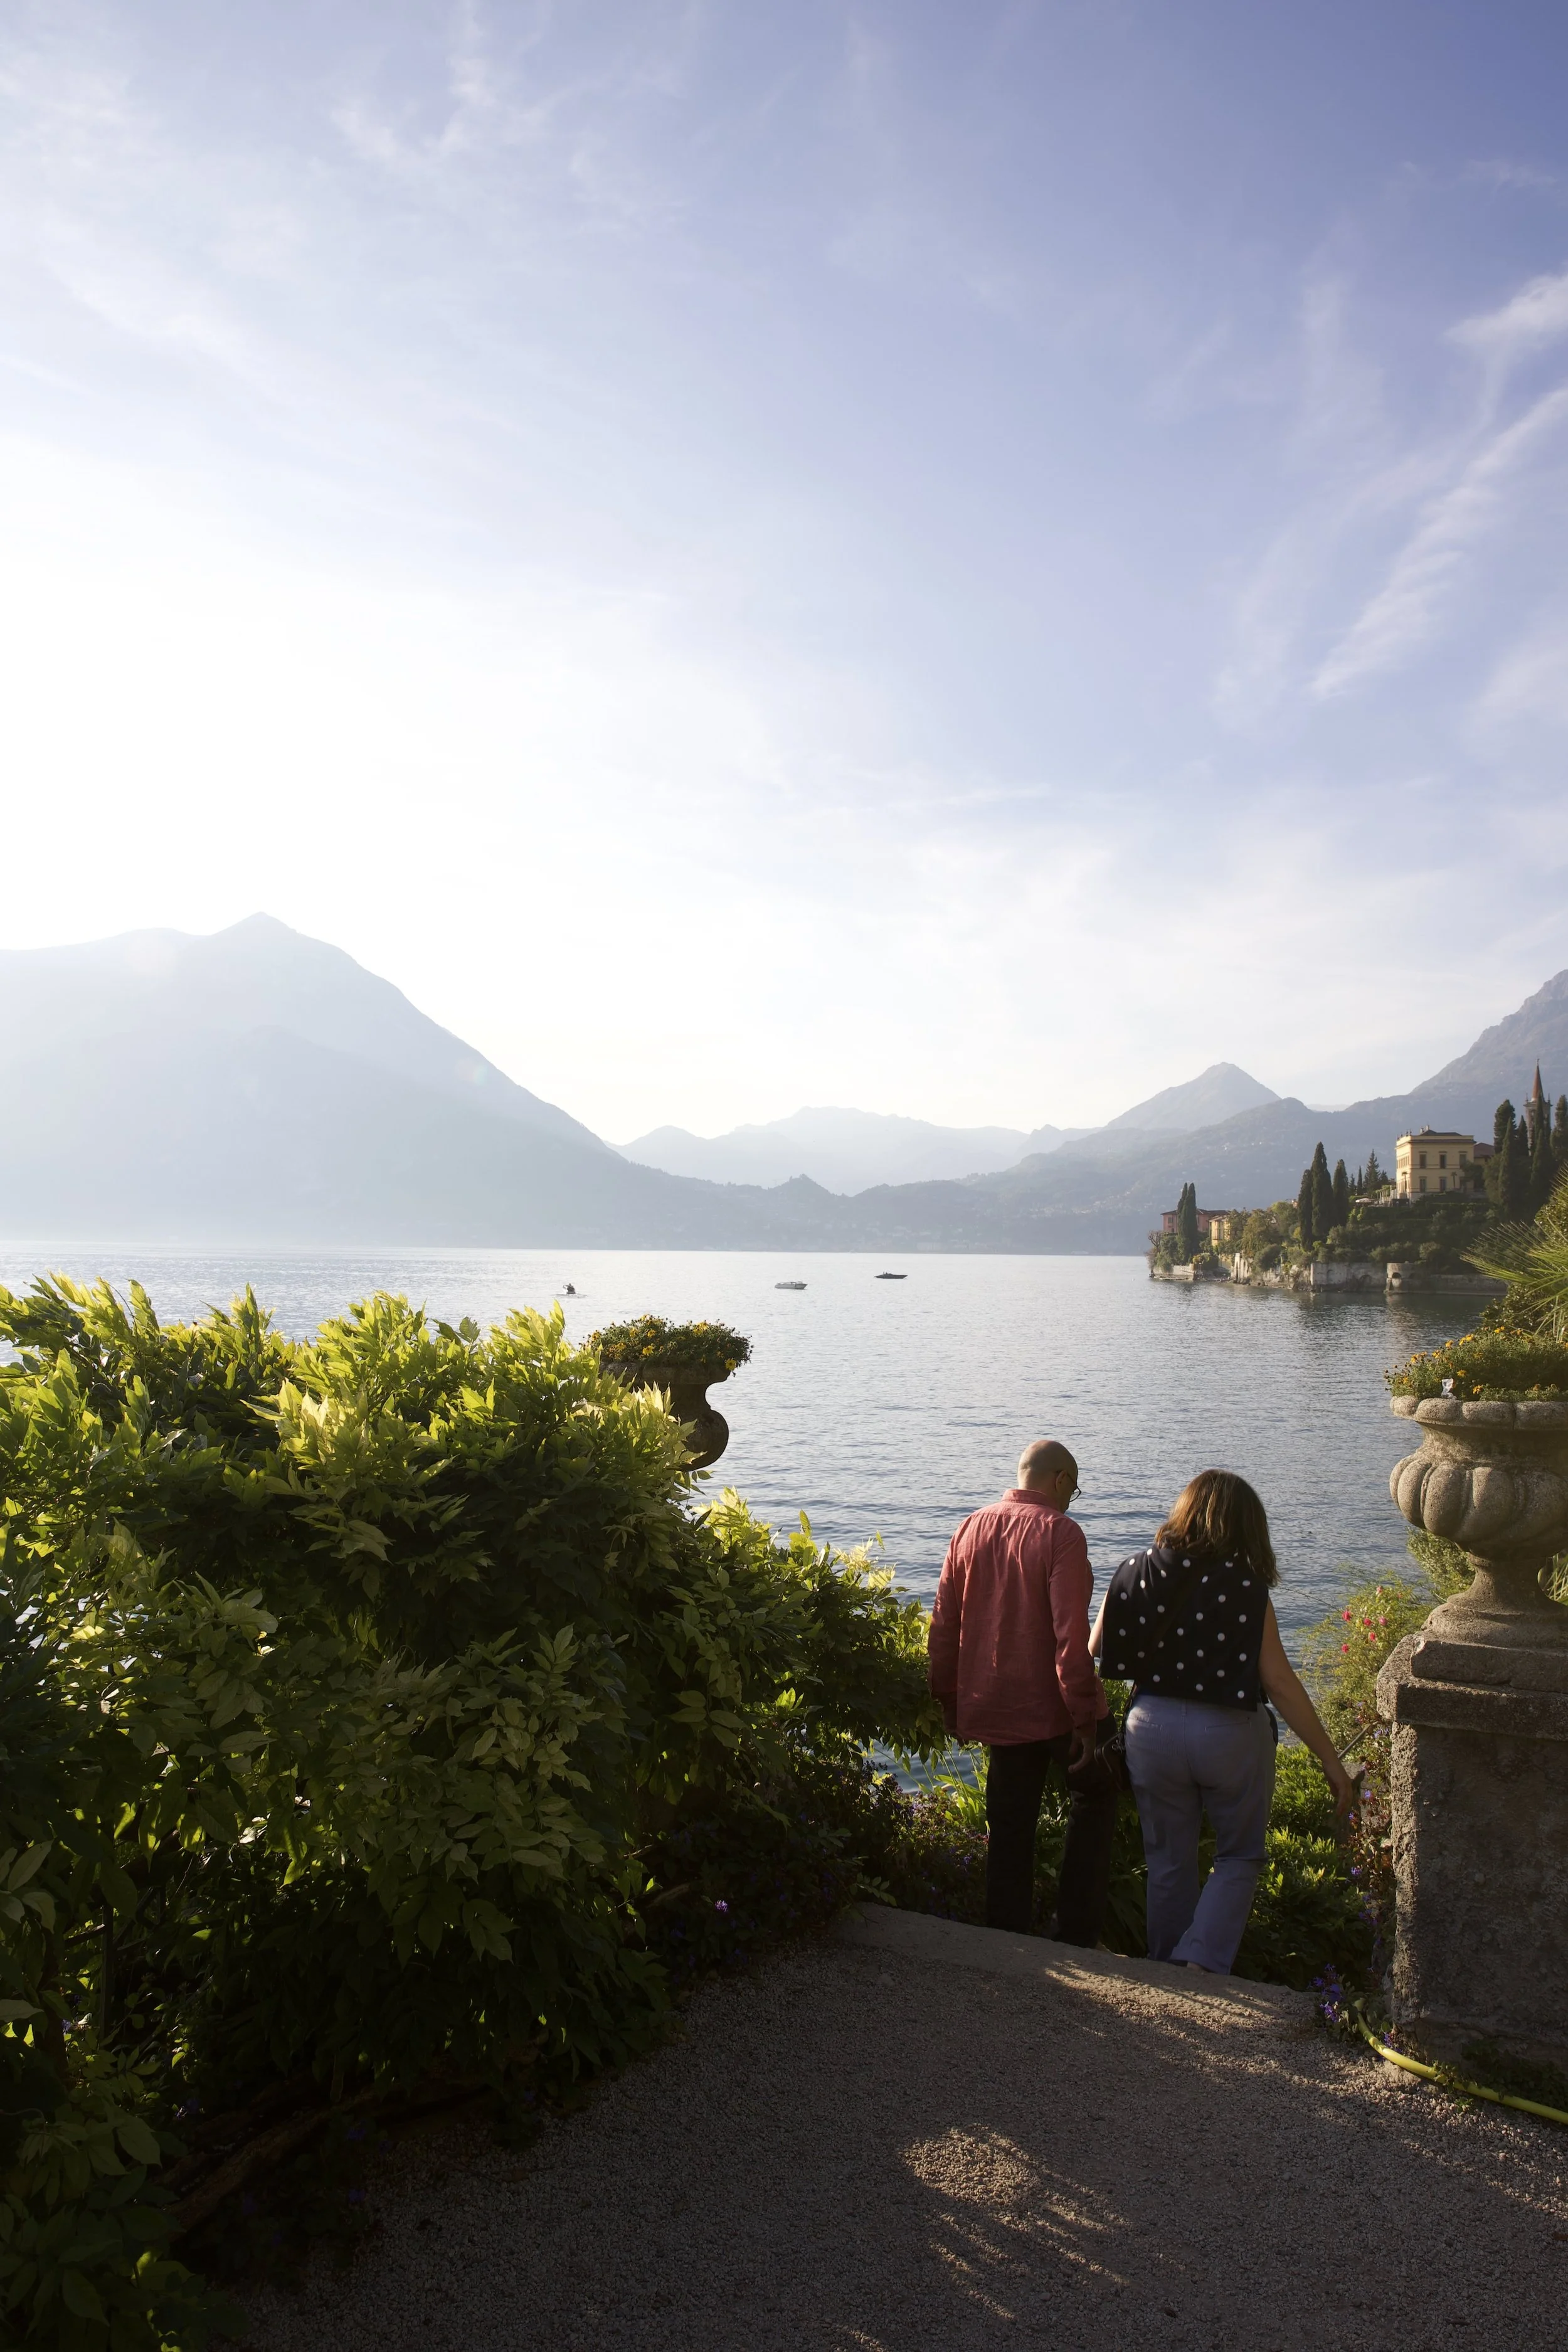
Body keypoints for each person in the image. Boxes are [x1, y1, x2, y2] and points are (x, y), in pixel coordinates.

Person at [1091, 1468, 1356, 1976]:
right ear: (1245, 1528)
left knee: (1168, 1860)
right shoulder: (1247, 1590)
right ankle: (1202, 1962)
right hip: (1229, 1731)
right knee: (1238, 1856)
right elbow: (1278, 1683)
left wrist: (1088, 1731)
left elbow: (1090, 1653)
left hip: (1150, 1726)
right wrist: (1330, 1761)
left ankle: (1167, 1968)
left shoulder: (1131, 1571)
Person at [928, 1439, 1116, 1944]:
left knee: (1009, 1827)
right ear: (1059, 1481)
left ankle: (1006, 1938)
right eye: (1073, 1489)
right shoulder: (1062, 1534)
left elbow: (943, 1625)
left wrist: (950, 1702)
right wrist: (1086, 1718)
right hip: (1054, 1710)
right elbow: (1071, 1640)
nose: (1071, 1499)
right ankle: (1075, 1929)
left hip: (994, 1706)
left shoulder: (969, 1528)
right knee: (1098, 1793)